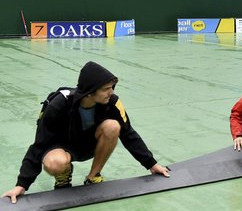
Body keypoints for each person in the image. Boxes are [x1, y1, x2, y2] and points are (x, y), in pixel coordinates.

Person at [1, 61, 170, 203]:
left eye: (112, 87)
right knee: (55, 162)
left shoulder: (112, 102)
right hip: (61, 148)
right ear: (90, 91)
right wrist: (22, 184)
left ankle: (93, 175)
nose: (111, 92)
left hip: (91, 145)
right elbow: (40, 144)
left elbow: (128, 133)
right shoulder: (58, 105)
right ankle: (63, 174)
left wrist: (152, 164)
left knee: (113, 126)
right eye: (106, 89)